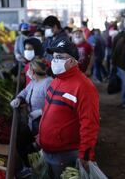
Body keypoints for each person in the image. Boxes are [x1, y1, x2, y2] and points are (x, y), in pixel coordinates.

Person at [37, 38, 100, 179]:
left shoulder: (84, 87)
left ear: (72, 61)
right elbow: (49, 110)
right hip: (48, 149)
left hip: (65, 154)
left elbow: (90, 123)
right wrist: (41, 132)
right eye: (53, 57)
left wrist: (86, 155)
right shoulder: (56, 80)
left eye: (59, 57)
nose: (54, 61)